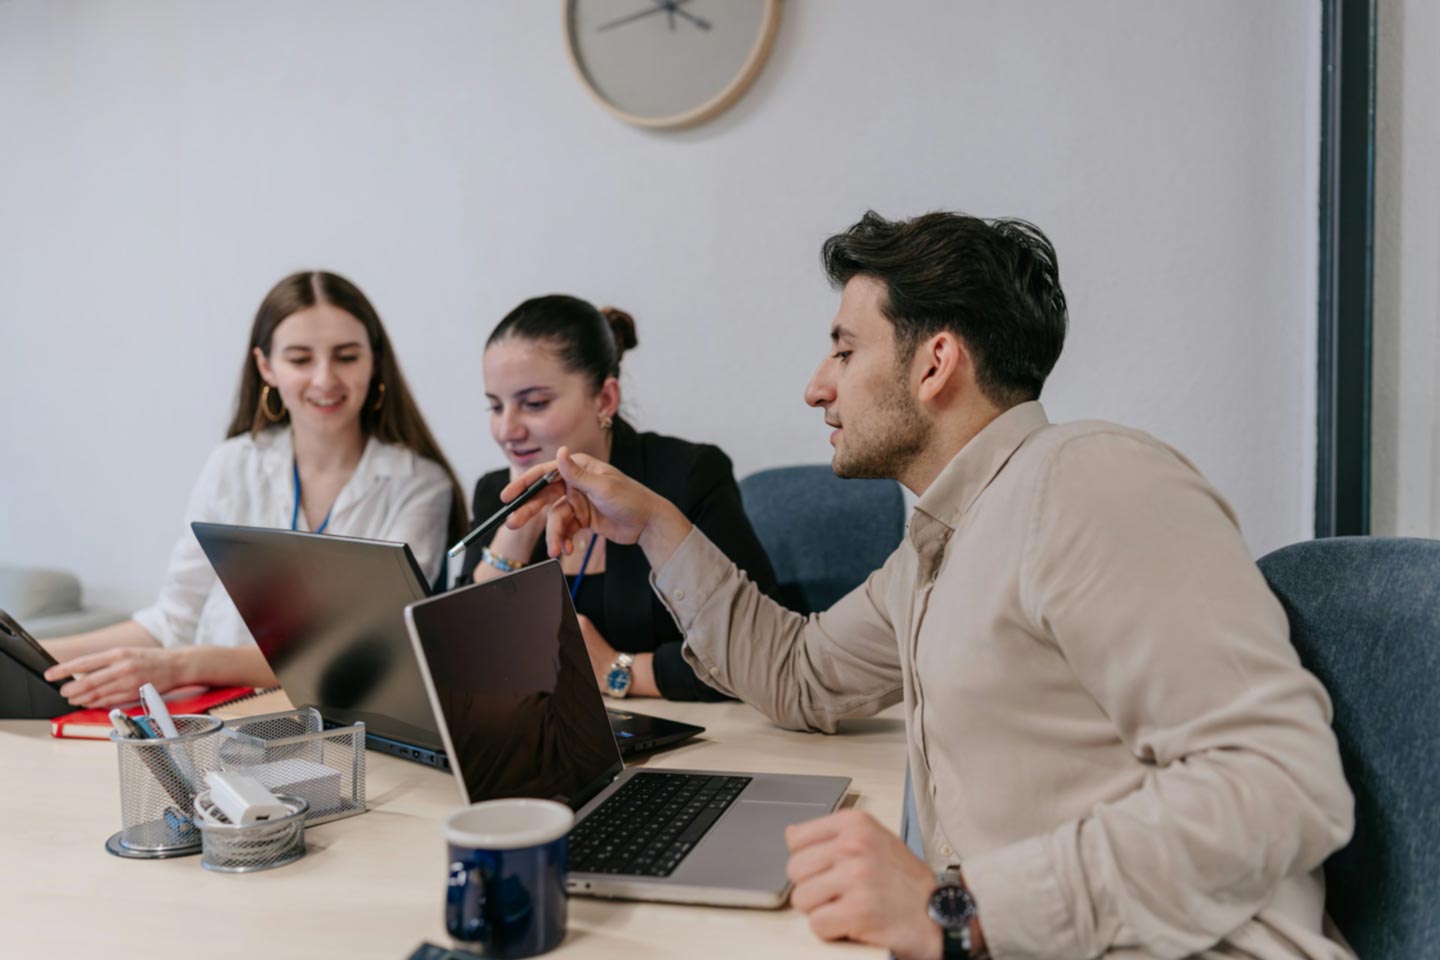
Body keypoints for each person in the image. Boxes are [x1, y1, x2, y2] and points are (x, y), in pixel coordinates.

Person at [499, 213, 1356, 960]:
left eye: (843, 347)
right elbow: (799, 675)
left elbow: (1281, 784)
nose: (816, 385)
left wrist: (958, 910)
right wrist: (650, 522)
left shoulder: (1089, 481)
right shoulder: (946, 538)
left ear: (936, 360)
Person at [44, 271, 466, 709]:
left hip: (339, 724)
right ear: (266, 367)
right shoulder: (234, 463)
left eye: (346, 356)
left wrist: (181, 667)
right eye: (301, 359)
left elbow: (353, 647)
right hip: (215, 718)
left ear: (374, 361)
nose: (324, 379)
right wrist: (34, 652)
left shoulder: (419, 485)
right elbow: (173, 620)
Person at [459, 294, 777, 702]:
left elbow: (758, 647)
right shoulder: (495, 491)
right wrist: (517, 529)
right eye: (495, 406)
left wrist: (617, 668)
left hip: (694, 736)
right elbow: (464, 656)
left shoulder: (686, 475)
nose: (507, 429)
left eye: (534, 404)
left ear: (605, 399)